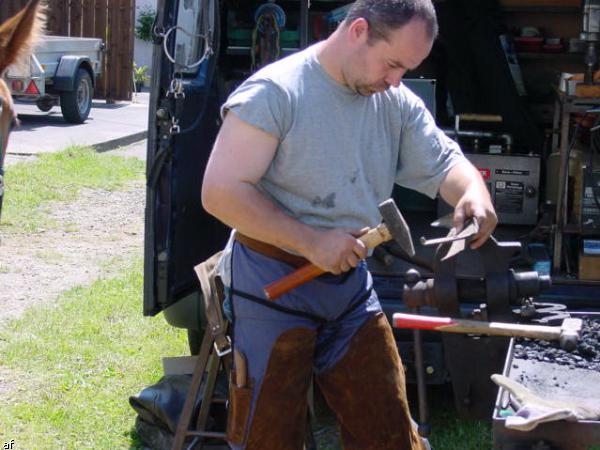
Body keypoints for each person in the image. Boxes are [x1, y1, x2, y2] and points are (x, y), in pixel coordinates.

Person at [202, 0, 497, 448]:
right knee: (266, 437)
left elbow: (444, 163)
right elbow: (220, 191)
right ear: (359, 30)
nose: (397, 79)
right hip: (271, 283)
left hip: (348, 288)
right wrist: (309, 240)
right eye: (394, 63)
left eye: (408, 68)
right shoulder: (276, 92)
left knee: (390, 434)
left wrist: (474, 193)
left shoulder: (392, 100)